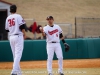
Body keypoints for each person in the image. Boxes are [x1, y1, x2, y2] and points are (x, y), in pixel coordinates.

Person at [5, 5, 26, 75]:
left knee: (15, 55)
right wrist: (24, 34)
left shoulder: (8, 18)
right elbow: (22, 26)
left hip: (11, 37)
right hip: (18, 36)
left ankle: (19, 73)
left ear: (10, 10)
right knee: (18, 55)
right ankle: (14, 71)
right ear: (16, 9)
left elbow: (7, 30)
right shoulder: (18, 16)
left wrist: (13, 29)